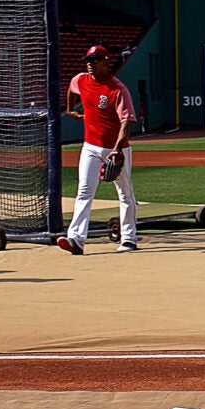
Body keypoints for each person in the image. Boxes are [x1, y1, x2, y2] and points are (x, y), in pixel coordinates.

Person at [56, 44, 140, 254]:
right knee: (84, 191)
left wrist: (117, 150)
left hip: (116, 149)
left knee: (125, 193)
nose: (90, 65)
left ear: (105, 62)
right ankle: (76, 239)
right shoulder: (81, 80)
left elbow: (126, 122)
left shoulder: (117, 89)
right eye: (88, 61)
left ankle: (129, 238)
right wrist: (70, 109)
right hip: (90, 147)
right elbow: (71, 88)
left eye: (94, 61)